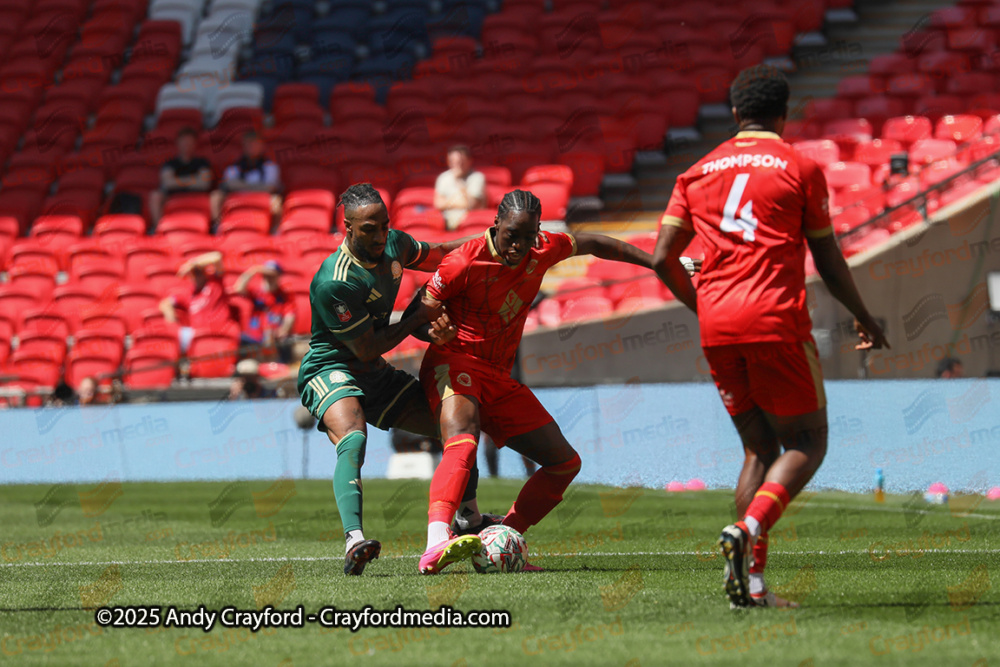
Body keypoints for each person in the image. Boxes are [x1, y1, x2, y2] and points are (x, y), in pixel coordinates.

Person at [652, 65, 890, 608]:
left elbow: (662, 257)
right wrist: (864, 315)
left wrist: (703, 304)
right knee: (807, 442)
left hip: (718, 327)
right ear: (783, 115)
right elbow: (827, 256)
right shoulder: (799, 166)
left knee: (757, 449)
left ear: (735, 114)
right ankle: (749, 529)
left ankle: (751, 586)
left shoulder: (695, 173)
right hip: (775, 320)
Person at [414, 189, 655, 575]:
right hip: (454, 360)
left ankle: (502, 539)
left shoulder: (543, 248)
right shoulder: (464, 261)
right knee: (464, 436)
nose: (519, 245)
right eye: (512, 235)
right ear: (496, 225)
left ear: (538, 232)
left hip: (497, 375)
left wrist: (656, 260)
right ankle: (436, 542)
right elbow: (419, 312)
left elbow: (592, 242)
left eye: (528, 236)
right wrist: (432, 332)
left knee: (564, 463)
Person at [296, 183, 493, 576]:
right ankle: (354, 541)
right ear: (348, 227)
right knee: (353, 433)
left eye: (385, 225)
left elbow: (441, 252)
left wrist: (489, 243)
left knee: (455, 428)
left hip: (374, 374)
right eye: (369, 228)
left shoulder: (394, 246)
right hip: (331, 367)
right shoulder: (334, 282)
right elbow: (367, 348)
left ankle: (469, 520)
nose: (380, 235)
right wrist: (417, 318)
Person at [158, 251, 235, 353]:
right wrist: (173, 323)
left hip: (220, 331)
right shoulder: (188, 293)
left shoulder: (215, 283)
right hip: (197, 335)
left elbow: (217, 257)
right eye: (194, 273)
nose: (197, 275)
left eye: (199, 272)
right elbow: (165, 304)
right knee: (174, 337)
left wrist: (192, 264)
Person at [210, 131, 282, 223]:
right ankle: (217, 227)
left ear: (262, 146)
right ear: (243, 146)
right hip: (236, 199)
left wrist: (241, 186)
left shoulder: (271, 167)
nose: (251, 147)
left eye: (254, 143)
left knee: (276, 202)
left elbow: (271, 188)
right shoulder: (234, 167)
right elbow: (228, 185)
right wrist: (258, 187)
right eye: (248, 144)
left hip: (262, 198)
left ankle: (274, 231)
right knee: (216, 196)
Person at [233, 260, 295, 362]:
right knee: (239, 340)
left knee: (286, 341)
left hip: (275, 339)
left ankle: (282, 366)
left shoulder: (284, 296)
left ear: (278, 277)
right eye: (266, 276)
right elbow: (239, 289)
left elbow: (290, 316)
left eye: (272, 276)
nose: (268, 279)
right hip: (254, 337)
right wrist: (253, 271)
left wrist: (283, 330)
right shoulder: (257, 292)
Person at [149, 127, 213, 224]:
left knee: (216, 196)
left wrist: (177, 181)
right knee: (155, 195)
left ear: (195, 144)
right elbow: (167, 183)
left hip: (197, 194)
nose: (186, 145)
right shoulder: (170, 163)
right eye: (184, 141)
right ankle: (158, 227)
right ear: (178, 143)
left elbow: (204, 183)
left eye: (189, 142)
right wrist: (194, 180)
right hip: (173, 195)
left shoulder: (202, 163)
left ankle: (213, 228)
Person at [434, 145, 486, 230]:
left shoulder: (477, 177)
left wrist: (459, 182)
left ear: (469, 161)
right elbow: (438, 204)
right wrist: (462, 202)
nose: (457, 165)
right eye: (453, 161)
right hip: (446, 222)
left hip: (470, 222)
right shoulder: (443, 178)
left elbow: (473, 204)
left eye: (461, 162)